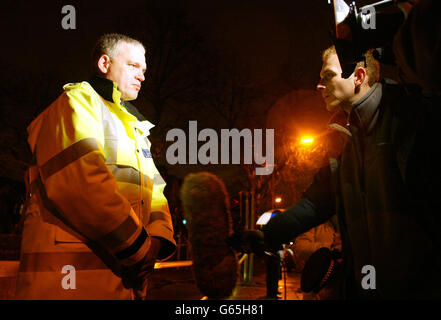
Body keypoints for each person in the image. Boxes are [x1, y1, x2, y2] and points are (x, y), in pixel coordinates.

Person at [262, 45, 441, 299]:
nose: (319, 86)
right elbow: (314, 203)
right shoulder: (339, 142)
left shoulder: (412, 116)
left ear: (358, 76)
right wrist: (266, 235)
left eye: (328, 76)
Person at [15, 34, 176, 299]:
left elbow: (157, 193)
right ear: (104, 63)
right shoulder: (75, 103)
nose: (142, 76)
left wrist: (157, 242)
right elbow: (81, 185)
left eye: (144, 70)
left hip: (118, 284)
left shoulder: (136, 130)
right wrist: (142, 251)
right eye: (133, 66)